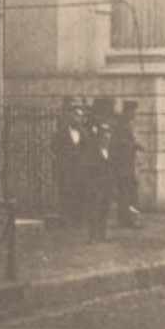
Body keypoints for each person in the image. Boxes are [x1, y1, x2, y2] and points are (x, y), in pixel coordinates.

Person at [52, 97, 87, 226]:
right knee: (65, 194)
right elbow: (54, 147)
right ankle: (65, 220)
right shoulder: (61, 132)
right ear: (69, 116)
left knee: (79, 194)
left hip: (80, 169)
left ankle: (78, 220)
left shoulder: (83, 132)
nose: (77, 118)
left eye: (80, 116)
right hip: (66, 168)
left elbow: (87, 148)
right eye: (75, 115)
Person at [112, 100, 143, 228]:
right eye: (133, 112)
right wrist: (134, 145)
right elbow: (119, 145)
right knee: (125, 195)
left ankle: (130, 219)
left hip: (129, 166)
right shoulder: (121, 126)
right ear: (128, 112)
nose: (135, 114)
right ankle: (126, 220)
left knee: (130, 194)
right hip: (123, 167)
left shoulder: (128, 125)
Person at [84, 117, 115, 243]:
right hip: (96, 186)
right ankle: (92, 236)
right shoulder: (93, 152)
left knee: (105, 210)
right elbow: (90, 168)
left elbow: (113, 168)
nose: (106, 138)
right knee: (94, 210)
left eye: (108, 135)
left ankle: (102, 235)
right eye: (103, 135)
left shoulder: (110, 151)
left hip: (107, 185)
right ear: (99, 137)